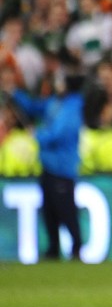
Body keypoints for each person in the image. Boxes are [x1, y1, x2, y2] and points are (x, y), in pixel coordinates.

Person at [9, 67, 84, 260]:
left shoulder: (73, 106)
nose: (56, 84)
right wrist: (14, 92)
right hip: (48, 166)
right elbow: (34, 107)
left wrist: (37, 135)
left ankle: (76, 249)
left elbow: (59, 133)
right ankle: (53, 249)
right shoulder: (55, 102)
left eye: (60, 81)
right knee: (49, 211)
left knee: (66, 211)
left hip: (62, 168)